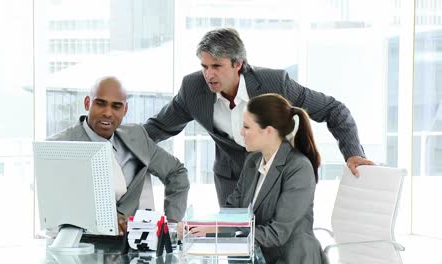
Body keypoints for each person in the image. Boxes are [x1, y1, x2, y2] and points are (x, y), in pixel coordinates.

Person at [144, 27, 373, 206]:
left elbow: (334, 110)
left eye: (216, 66)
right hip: (231, 181)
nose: (208, 74)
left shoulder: (275, 84)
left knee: (276, 246)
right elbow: (159, 126)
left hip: (279, 177)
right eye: (204, 66)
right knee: (233, 246)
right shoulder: (193, 88)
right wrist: (117, 143)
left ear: (238, 64)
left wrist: (353, 153)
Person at [188, 94, 326, 263]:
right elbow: (233, 210)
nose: (241, 132)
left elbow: (277, 234)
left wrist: (217, 230)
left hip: (291, 258)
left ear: (268, 131)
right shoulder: (253, 161)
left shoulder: (298, 167)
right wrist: (198, 226)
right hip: (257, 256)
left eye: (246, 126)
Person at [49, 76, 190, 235]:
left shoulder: (137, 137)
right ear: (87, 103)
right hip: (80, 244)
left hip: (131, 247)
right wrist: (104, 218)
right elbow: (55, 202)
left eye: (116, 106)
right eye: (100, 103)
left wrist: (171, 224)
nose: (108, 113)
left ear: (125, 109)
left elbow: (176, 172)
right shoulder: (59, 145)